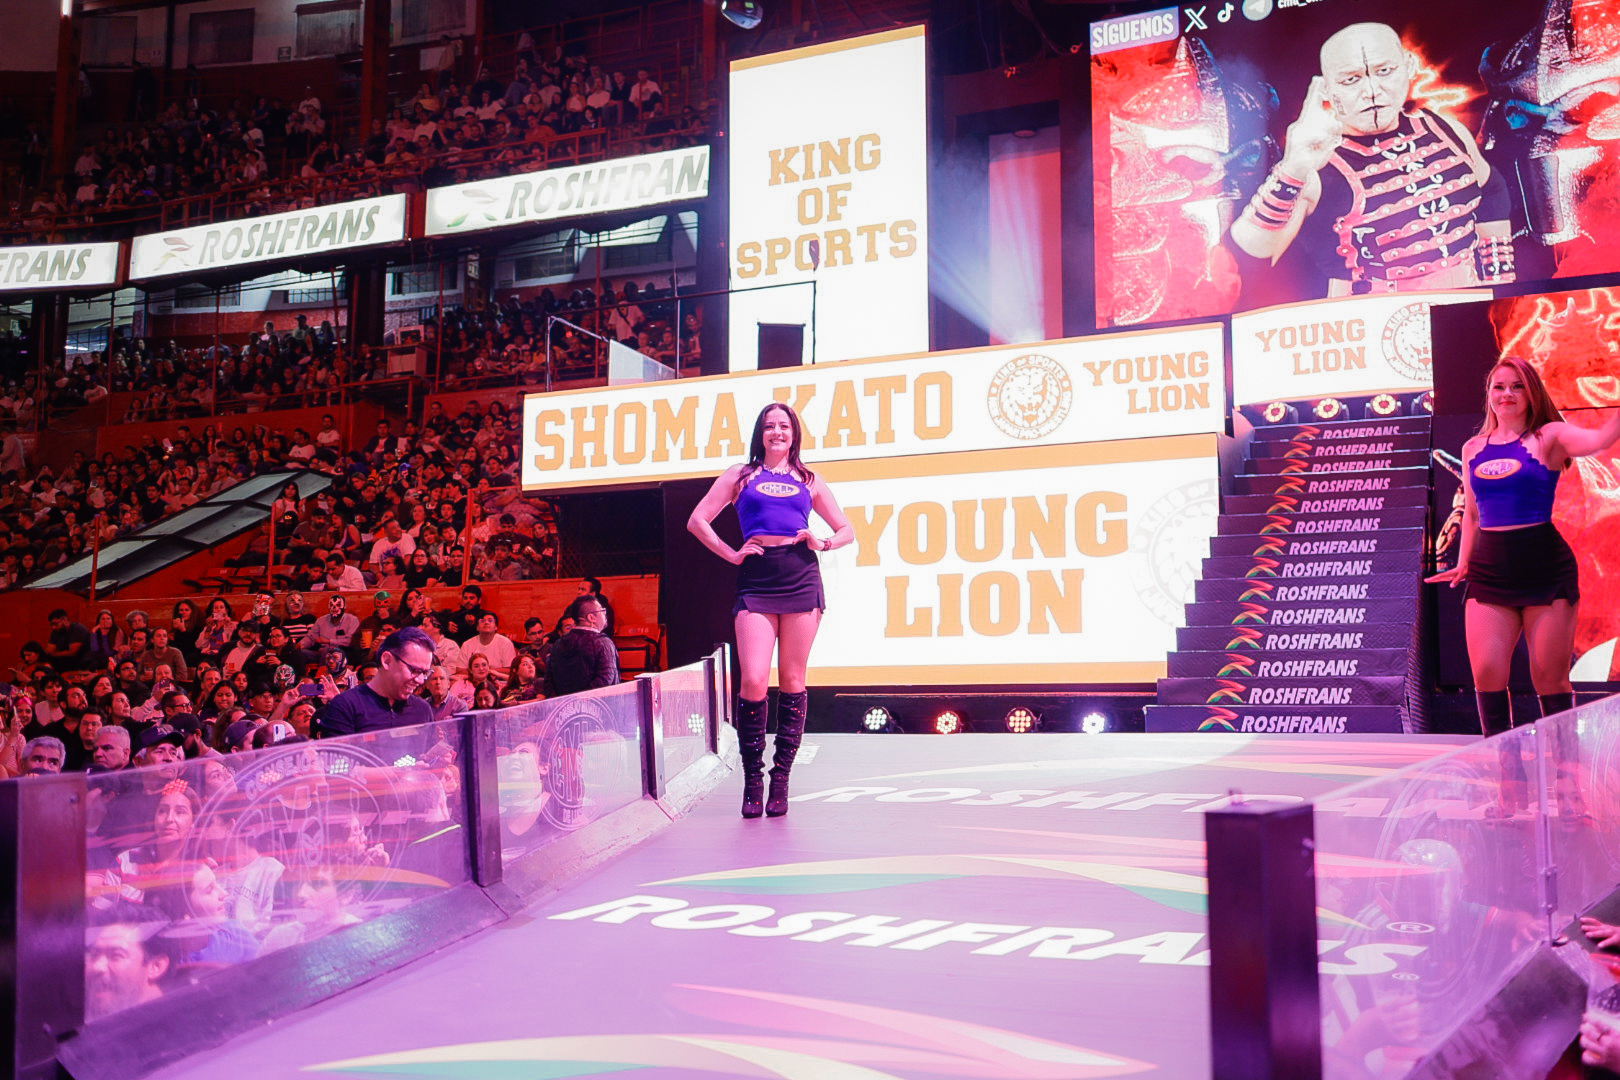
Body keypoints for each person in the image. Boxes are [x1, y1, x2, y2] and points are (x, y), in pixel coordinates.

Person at [1229, 22, 1514, 297]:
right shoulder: (1318, 163)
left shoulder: (1444, 128)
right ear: (1327, 89)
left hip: (1468, 308)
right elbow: (1254, 252)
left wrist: (1500, 282)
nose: (1372, 91)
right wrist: (1294, 167)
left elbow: (1492, 190)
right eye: (1351, 79)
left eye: (1384, 71)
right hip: (1371, 317)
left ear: (1408, 67)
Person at [1425, 356, 1620, 734]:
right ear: (1488, 394)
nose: (1507, 394)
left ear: (1531, 394)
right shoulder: (1472, 447)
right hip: (1490, 571)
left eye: (1517, 387)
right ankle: (1502, 761)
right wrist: (1464, 562)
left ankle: (1562, 761)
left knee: (1548, 677)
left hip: (1544, 568)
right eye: (1499, 387)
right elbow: (1473, 514)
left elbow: (1599, 441)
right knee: (1486, 673)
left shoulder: (1550, 436)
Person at [686, 403, 852, 818]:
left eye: (784, 426)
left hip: (801, 576)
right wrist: (731, 554)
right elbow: (697, 520)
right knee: (755, 680)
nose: (777, 432)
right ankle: (752, 780)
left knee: (793, 678)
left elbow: (846, 529)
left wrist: (822, 542)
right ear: (760, 434)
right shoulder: (740, 475)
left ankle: (781, 781)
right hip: (757, 580)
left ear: (794, 434)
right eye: (770, 426)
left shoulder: (809, 479)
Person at [317, 626, 435, 736]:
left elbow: (429, 749)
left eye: (424, 673)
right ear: (387, 661)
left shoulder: (422, 710)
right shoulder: (345, 707)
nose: (420, 680)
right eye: (414, 670)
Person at [541, 595, 618, 697]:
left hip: (562, 705)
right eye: (601, 611)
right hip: (594, 705)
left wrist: (563, 702)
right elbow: (606, 681)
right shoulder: (603, 643)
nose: (605, 614)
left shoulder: (557, 644)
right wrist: (579, 702)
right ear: (591, 617)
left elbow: (548, 682)